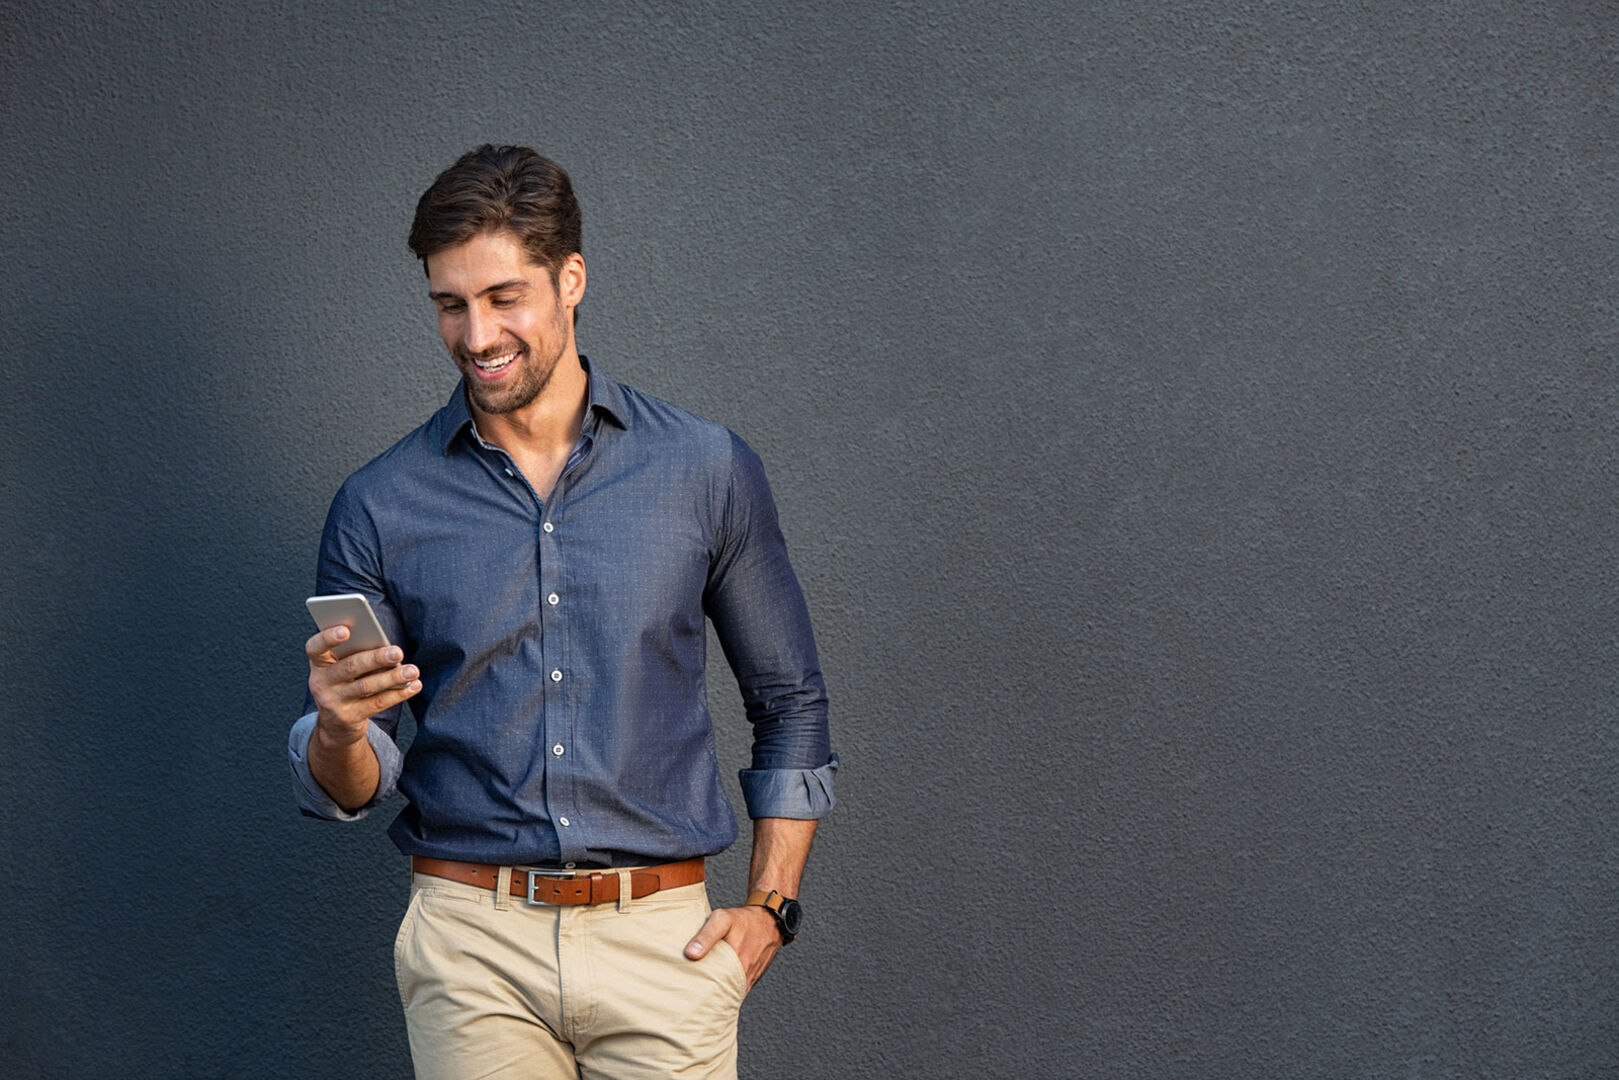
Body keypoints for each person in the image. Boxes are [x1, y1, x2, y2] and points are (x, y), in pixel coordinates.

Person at [287, 144, 837, 1079]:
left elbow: (789, 704)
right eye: (449, 304)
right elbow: (356, 777)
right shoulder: (379, 504)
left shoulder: (704, 470)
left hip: (663, 942)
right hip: (470, 946)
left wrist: (771, 907)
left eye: (505, 297)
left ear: (571, 279)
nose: (476, 334)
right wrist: (336, 730)